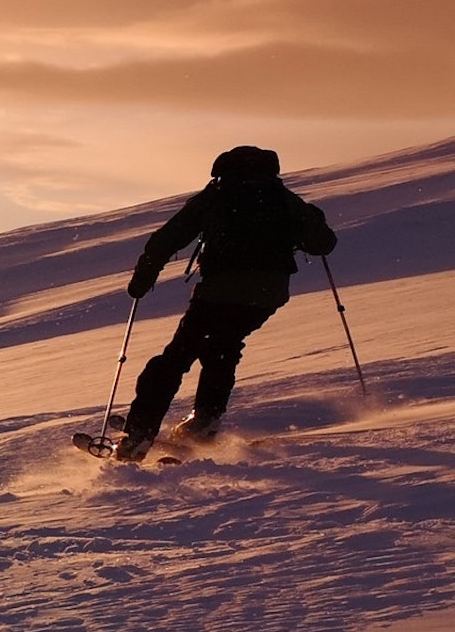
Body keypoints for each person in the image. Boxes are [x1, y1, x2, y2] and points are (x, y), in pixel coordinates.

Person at [116, 145, 337, 461]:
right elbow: (323, 244)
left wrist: (142, 281)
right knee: (223, 347)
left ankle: (139, 433)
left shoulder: (216, 195)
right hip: (266, 296)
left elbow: (168, 238)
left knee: (176, 358)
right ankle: (204, 422)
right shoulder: (283, 199)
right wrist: (313, 218)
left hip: (219, 292)